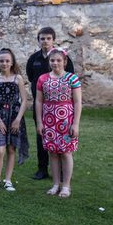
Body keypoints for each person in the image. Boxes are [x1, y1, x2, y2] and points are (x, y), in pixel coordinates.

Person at [26, 27, 75, 180]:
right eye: (42, 38)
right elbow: (30, 77)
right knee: (42, 135)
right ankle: (42, 169)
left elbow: (71, 80)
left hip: (62, 108)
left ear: (53, 40)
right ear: (38, 40)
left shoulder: (63, 58)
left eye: (48, 38)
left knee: (62, 137)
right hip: (41, 106)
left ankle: (61, 171)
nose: (45, 41)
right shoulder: (33, 59)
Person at [35, 48, 82, 198]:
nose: (55, 63)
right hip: (49, 120)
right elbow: (38, 101)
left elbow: (77, 102)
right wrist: (40, 122)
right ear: (49, 62)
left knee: (66, 152)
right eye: (52, 60)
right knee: (53, 152)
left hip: (66, 120)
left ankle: (66, 186)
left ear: (65, 62)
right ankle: (55, 184)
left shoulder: (72, 78)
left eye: (58, 60)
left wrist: (75, 124)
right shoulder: (42, 79)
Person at [0, 48, 29, 191]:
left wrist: (18, 119)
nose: (4, 63)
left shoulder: (18, 78)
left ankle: (8, 180)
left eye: (7, 61)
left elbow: (24, 101)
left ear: (12, 63)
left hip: (14, 117)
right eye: (1, 61)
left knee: (11, 148)